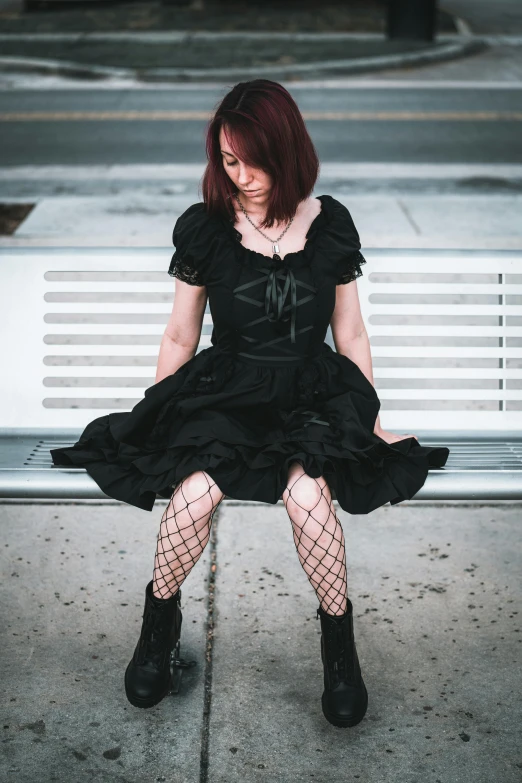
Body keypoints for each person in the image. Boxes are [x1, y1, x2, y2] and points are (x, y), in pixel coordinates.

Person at [50, 79, 450, 729]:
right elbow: (181, 333)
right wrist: (156, 416)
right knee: (193, 496)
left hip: (311, 393)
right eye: (229, 161)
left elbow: (350, 332)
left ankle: (340, 650)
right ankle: (158, 630)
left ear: (285, 147)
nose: (243, 177)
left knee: (308, 499)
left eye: (253, 160)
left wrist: (370, 418)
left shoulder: (330, 224)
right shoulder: (208, 227)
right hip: (229, 392)